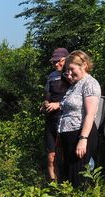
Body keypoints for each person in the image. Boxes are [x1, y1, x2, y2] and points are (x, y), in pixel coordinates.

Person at [58, 50, 101, 187]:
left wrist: (83, 140)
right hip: (69, 136)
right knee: (69, 175)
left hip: (80, 135)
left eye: (72, 69)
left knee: (79, 176)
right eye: (67, 71)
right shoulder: (74, 85)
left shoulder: (90, 84)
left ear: (84, 65)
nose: (69, 74)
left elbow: (90, 114)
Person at [40, 48, 70, 181]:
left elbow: (78, 99)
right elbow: (47, 94)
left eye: (59, 61)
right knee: (51, 156)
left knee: (64, 155)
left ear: (66, 60)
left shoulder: (72, 75)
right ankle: (54, 186)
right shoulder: (51, 76)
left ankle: (67, 185)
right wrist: (45, 103)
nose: (56, 65)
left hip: (66, 121)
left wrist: (58, 105)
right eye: (54, 63)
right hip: (51, 119)